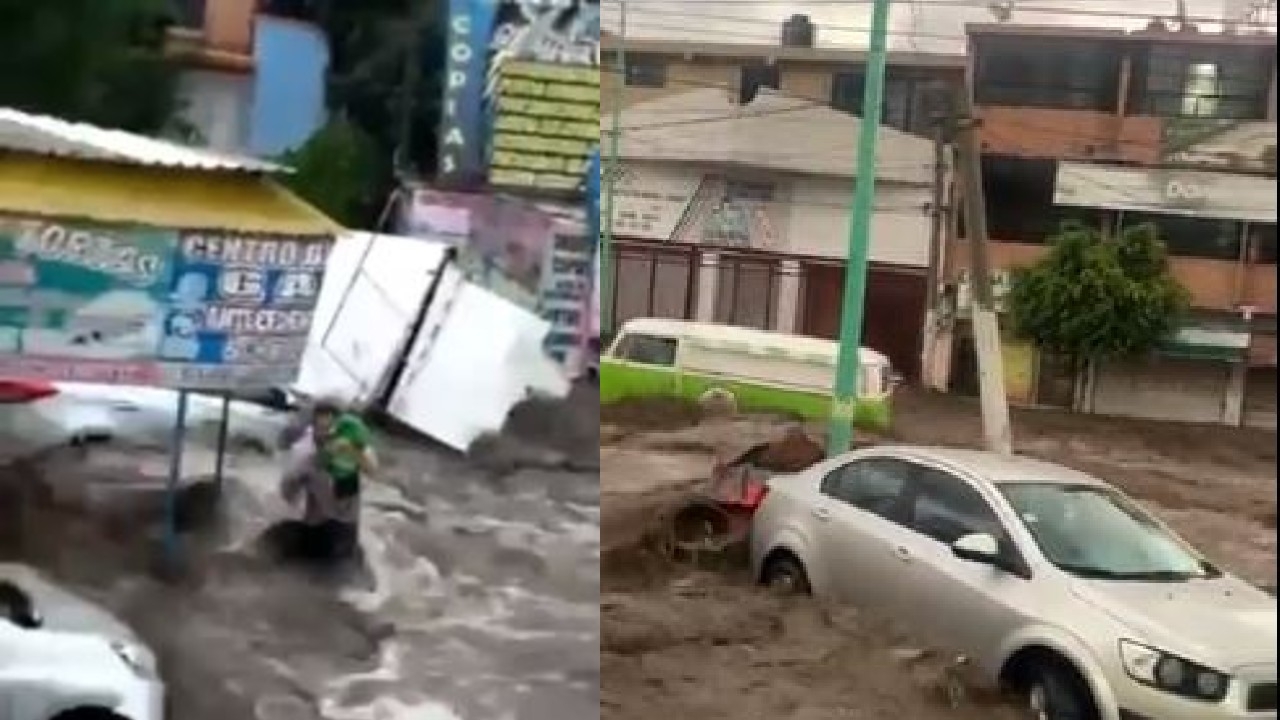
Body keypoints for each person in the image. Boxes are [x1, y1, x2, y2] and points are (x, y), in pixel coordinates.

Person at [279, 398, 377, 562]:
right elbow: (287, 491)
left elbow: (372, 469)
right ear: (313, 427)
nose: (326, 435)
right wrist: (294, 489)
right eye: (321, 429)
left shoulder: (352, 444)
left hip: (346, 525)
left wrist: (351, 451)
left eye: (331, 429)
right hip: (315, 525)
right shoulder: (304, 452)